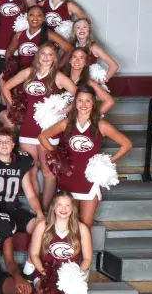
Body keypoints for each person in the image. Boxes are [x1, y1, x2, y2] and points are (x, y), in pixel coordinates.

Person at [39, 86, 132, 227]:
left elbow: (127, 144)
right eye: (80, 100)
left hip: (90, 180)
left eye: (88, 101)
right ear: (75, 103)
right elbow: (42, 137)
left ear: (93, 103)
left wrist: (107, 162)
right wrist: (58, 155)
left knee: (85, 226)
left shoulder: (101, 125)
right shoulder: (66, 123)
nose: (83, 104)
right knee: (63, 226)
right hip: (67, 179)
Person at [3, 42, 77, 208]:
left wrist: (63, 110)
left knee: (47, 172)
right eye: (43, 53)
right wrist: (16, 107)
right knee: (30, 170)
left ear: (55, 58)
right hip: (28, 129)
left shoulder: (58, 76)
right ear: (38, 56)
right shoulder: (29, 73)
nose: (46, 57)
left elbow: (79, 96)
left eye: (50, 54)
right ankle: (37, 211)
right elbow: (6, 87)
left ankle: (46, 209)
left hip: (48, 130)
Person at [0, 128, 44, 234]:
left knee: (41, 226)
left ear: (13, 144)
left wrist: (39, 213)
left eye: (8, 141)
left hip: (13, 210)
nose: (4, 144)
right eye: (0, 141)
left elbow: (31, 196)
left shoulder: (21, 163)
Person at [4, 5, 72, 70]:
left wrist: (57, 67)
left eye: (39, 15)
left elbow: (70, 49)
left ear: (43, 18)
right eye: (31, 15)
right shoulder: (19, 35)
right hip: (22, 73)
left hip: (41, 74)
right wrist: (11, 66)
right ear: (27, 17)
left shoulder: (49, 34)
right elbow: (9, 51)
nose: (35, 18)